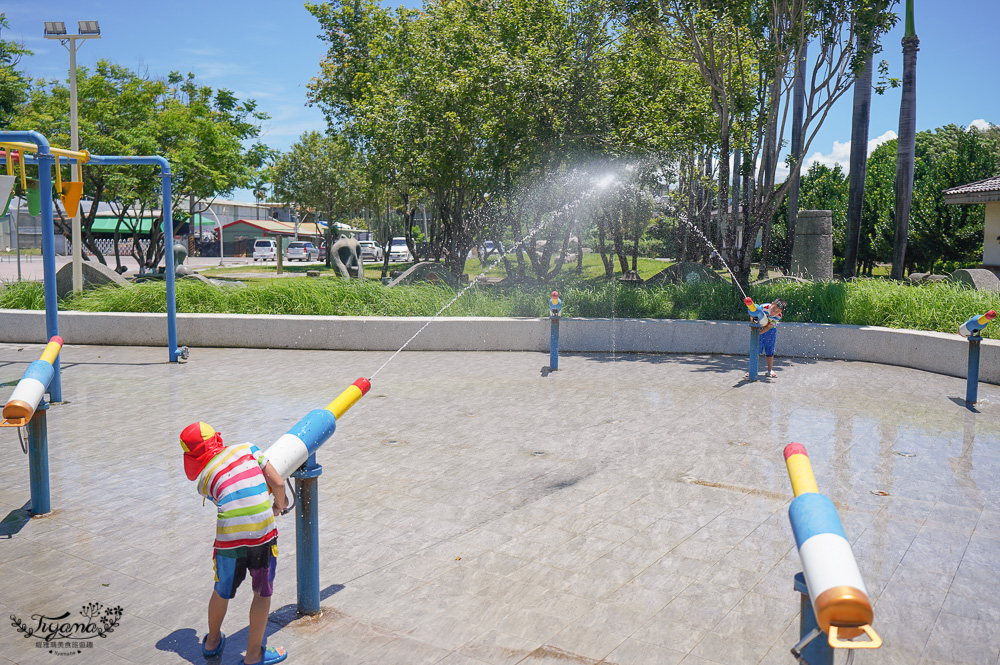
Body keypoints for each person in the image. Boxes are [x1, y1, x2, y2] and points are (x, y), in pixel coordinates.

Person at [180, 422, 288, 665]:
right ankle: (253, 656)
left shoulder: (203, 482)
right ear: (217, 439)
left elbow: (231, 496)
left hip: (229, 540)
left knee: (222, 590)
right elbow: (279, 484)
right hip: (262, 534)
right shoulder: (248, 448)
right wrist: (278, 506)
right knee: (261, 593)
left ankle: (212, 642)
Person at [758, 298, 786, 378]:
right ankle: (752, 370)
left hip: (771, 330)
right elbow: (753, 314)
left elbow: (768, 327)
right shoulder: (763, 307)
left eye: (777, 311)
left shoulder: (778, 316)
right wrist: (754, 324)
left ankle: (770, 370)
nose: (773, 312)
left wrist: (758, 334)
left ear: (780, 312)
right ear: (772, 303)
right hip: (759, 327)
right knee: (756, 349)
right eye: (773, 309)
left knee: (769, 349)